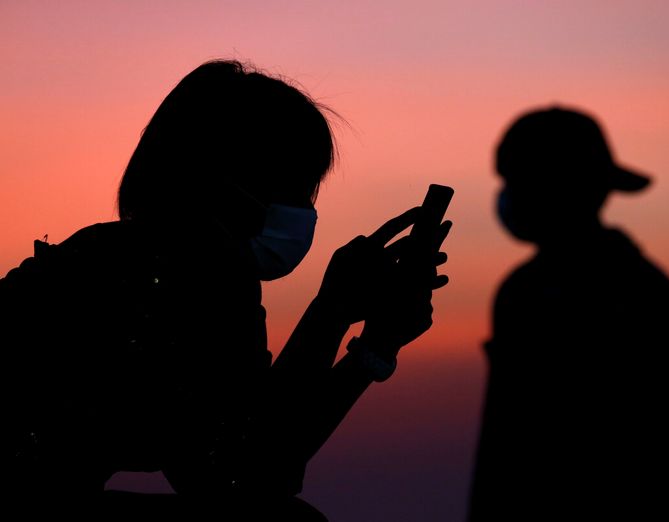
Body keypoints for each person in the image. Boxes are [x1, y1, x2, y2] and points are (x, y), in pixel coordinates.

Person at [1, 60, 450, 515]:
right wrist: (341, 320)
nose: (305, 208)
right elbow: (249, 474)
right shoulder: (194, 275)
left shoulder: (110, 252)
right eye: (297, 187)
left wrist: (360, 335)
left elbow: (247, 437)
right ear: (230, 180)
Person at [469, 107, 669, 521]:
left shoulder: (530, 292)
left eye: (519, 181)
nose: (510, 195)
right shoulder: (654, 292)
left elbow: (509, 444)